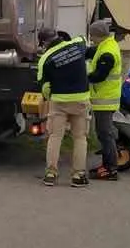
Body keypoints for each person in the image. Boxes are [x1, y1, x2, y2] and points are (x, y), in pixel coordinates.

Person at [36, 28, 92, 188]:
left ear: (44, 43)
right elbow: (84, 41)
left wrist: (50, 98)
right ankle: (78, 175)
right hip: (81, 100)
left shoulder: (45, 59)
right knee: (80, 138)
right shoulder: (78, 44)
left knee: (55, 137)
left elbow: (45, 88)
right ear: (58, 36)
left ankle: (51, 174)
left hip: (59, 102)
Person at [85, 19, 123, 181]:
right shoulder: (106, 45)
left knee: (105, 134)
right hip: (104, 99)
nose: (91, 39)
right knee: (103, 134)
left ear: (98, 35)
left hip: (105, 100)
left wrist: (81, 78)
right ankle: (107, 165)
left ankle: (111, 168)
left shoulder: (108, 53)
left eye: (92, 36)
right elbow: (91, 51)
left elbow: (99, 76)